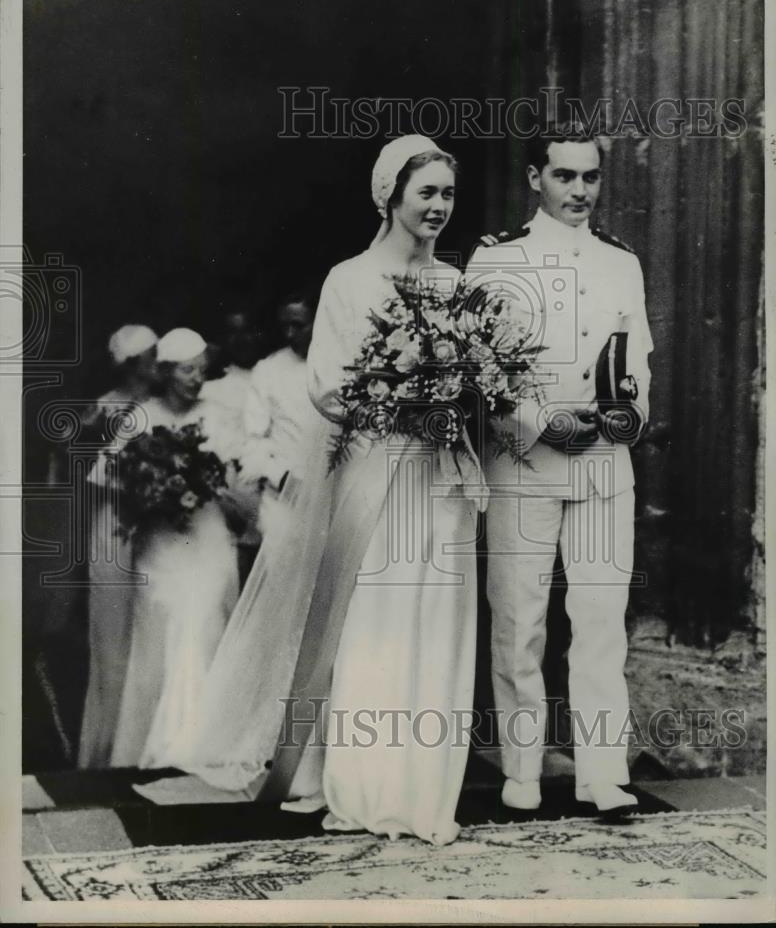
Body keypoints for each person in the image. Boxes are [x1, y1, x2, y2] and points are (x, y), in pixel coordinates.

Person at [135, 136, 485, 846]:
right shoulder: (349, 280)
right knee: (375, 623)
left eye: (448, 194)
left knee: (436, 617)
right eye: (427, 193)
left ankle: (423, 791)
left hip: (436, 476)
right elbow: (326, 384)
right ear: (390, 195)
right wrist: (400, 396)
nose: (439, 207)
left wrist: (457, 392)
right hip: (373, 473)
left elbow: (473, 379)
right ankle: (362, 786)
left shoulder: (452, 285)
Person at [466, 126, 653, 815]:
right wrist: (539, 421)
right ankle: (520, 768)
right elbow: (480, 371)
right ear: (533, 178)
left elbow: (637, 364)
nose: (579, 191)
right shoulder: (495, 261)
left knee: (601, 617)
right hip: (525, 460)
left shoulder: (619, 263)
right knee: (519, 617)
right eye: (565, 176)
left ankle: (600, 771)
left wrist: (617, 420)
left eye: (590, 177)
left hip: (603, 463)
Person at [110, 328, 248, 768]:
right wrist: (152, 494)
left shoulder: (221, 416)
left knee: (204, 620)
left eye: (201, 371)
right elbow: (112, 482)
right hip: (161, 543)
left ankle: (198, 743)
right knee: (163, 633)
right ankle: (163, 742)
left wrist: (209, 489)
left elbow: (238, 481)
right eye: (187, 370)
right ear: (167, 372)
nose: (195, 379)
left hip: (206, 537)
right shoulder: (140, 418)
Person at [78, 324, 158, 768]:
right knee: (114, 628)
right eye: (149, 357)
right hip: (116, 522)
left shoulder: (161, 406)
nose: (156, 365)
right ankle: (110, 746)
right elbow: (95, 476)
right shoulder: (106, 409)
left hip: (154, 524)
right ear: (132, 363)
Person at [240, 290, 316, 541]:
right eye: (285, 326)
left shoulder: (339, 366)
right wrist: (280, 476)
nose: (290, 335)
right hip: (283, 496)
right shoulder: (268, 371)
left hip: (328, 493)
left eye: (299, 325)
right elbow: (254, 440)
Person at [202, 305, 266, 584]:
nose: (242, 340)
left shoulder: (273, 376)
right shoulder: (210, 390)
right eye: (233, 332)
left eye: (248, 331)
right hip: (234, 501)